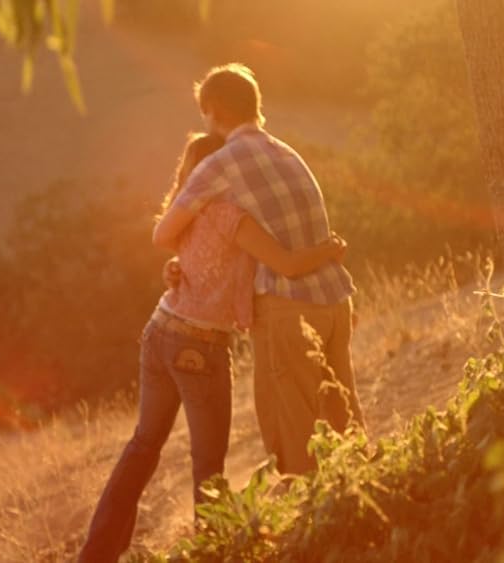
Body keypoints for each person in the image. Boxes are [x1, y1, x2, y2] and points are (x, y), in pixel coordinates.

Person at [78, 132, 347, 563]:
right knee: (208, 464)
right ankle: (212, 554)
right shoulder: (231, 215)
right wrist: (330, 248)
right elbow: (288, 264)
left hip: (160, 331)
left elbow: (187, 263)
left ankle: (97, 553)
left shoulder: (185, 213)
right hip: (200, 347)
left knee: (143, 445)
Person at [157, 63, 366, 477]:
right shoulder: (288, 152)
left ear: (214, 110)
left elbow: (165, 231)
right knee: (345, 419)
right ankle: (368, 498)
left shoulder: (219, 164)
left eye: (205, 114)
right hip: (335, 302)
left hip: (286, 309)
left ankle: (313, 533)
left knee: (291, 435)